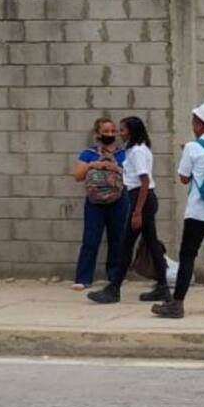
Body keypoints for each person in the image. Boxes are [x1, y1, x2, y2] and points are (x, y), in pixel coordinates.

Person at [153, 101, 204, 320]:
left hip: (199, 212)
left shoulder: (193, 148)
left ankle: (177, 303)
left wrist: (187, 155)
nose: (193, 125)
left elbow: (183, 178)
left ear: (201, 125)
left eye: (195, 121)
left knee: (188, 255)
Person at [88, 116, 168, 304]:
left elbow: (144, 181)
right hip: (142, 199)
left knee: (127, 245)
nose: (118, 133)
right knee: (151, 244)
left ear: (131, 131)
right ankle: (163, 287)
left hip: (141, 199)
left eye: (122, 130)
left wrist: (137, 211)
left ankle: (114, 289)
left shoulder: (138, 151)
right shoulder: (134, 149)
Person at [70, 117, 128, 292]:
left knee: (117, 238)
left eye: (113, 131)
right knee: (91, 239)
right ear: (98, 134)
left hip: (118, 200)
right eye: (106, 132)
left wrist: (113, 167)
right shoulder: (89, 153)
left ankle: (114, 276)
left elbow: (131, 175)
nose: (110, 135)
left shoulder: (123, 153)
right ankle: (83, 278)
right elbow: (77, 176)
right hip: (95, 202)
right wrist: (93, 165)